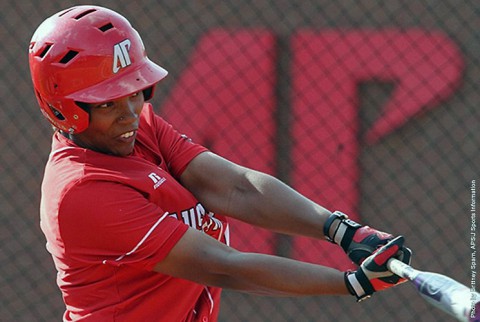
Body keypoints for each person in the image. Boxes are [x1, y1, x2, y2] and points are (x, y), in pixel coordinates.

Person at [29, 5, 412, 322]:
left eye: (134, 91)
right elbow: (222, 265)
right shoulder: (83, 191)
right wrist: (351, 283)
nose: (130, 112)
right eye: (108, 102)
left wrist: (342, 231)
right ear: (64, 110)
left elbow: (237, 188)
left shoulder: (140, 128)